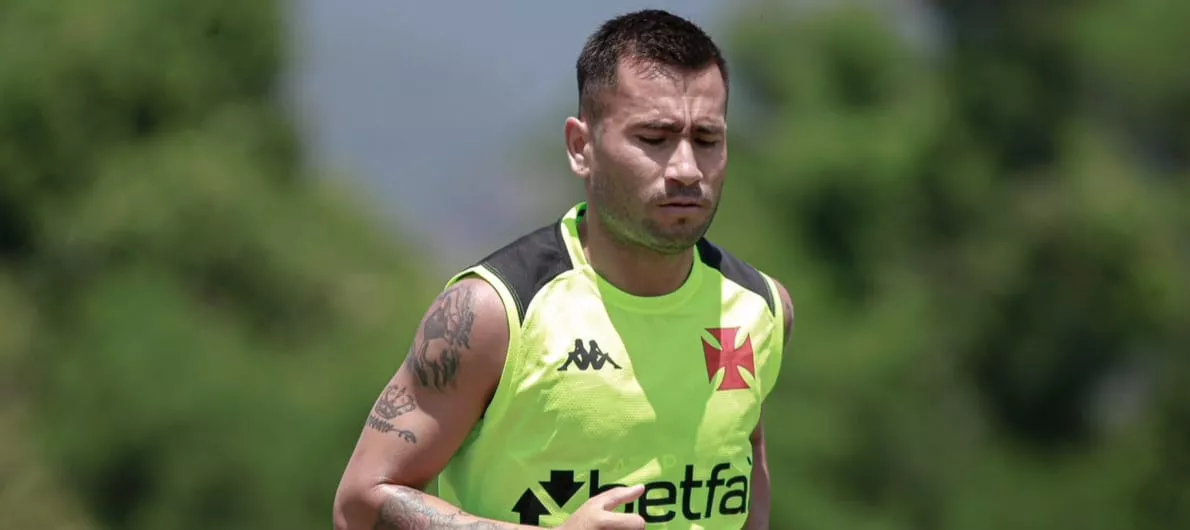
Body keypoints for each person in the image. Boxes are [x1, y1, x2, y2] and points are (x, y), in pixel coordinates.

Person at [332, 9, 793, 530]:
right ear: (581, 147)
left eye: (706, 139)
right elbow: (360, 503)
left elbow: (745, 480)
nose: (687, 168)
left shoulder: (762, 308)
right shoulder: (494, 313)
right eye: (654, 139)